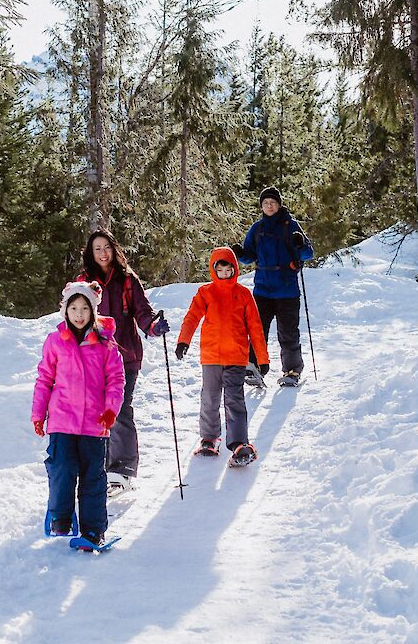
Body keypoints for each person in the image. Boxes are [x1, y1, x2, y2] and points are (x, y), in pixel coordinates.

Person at [31, 281, 125, 548]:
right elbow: (44, 379)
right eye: (74, 308)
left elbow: (116, 379)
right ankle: (60, 517)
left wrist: (110, 410)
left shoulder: (105, 344)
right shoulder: (55, 342)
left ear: (93, 311)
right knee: (62, 469)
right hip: (61, 421)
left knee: (93, 477)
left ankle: (93, 530)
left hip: (95, 424)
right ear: (66, 311)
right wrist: (39, 413)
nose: (79, 314)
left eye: (85, 308)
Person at [77, 230, 169, 497]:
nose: (103, 253)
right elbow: (74, 315)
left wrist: (152, 327)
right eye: (97, 249)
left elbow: (142, 312)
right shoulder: (84, 282)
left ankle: (123, 470)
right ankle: (101, 468)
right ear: (90, 253)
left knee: (118, 408)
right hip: (94, 357)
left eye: (106, 247)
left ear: (113, 249)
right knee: (97, 411)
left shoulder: (127, 279)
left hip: (125, 354)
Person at [174, 247, 269, 467]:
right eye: (220, 269)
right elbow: (191, 318)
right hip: (211, 356)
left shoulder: (243, 294)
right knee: (210, 398)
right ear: (213, 270)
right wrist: (183, 340)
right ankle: (209, 438)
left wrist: (262, 359)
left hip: (236, 357)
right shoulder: (205, 293)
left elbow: (255, 327)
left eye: (229, 269)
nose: (225, 273)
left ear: (234, 269)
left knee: (234, 400)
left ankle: (239, 443)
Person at [232, 186, 314, 388]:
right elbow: (249, 257)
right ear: (261, 206)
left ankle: (292, 371)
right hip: (262, 290)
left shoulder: (291, 226)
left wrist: (300, 244)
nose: (269, 206)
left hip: (287, 290)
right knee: (257, 331)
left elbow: (308, 254)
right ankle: (255, 368)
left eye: (272, 202)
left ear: (279, 204)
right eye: (265, 203)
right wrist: (240, 253)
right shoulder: (257, 229)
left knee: (288, 332)